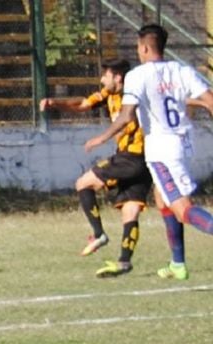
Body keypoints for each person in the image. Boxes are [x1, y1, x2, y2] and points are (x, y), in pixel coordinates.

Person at [85, 24, 213, 280]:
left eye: (138, 48)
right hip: (182, 145)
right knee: (161, 198)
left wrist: (103, 136)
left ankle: (178, 261)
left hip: (160, 151)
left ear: (143, 47)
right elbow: (210, 101)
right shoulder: (181, 70)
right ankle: (177, 263)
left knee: (182, 209)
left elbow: (127, 114)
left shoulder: (138, 76)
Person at [41, 59, 151, 277]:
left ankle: (99, 234)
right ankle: (124, 261)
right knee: (130, 210)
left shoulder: (133, 95)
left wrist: (101, 139)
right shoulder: (107, 94)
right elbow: (83, 104)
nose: (102, 79)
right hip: (145, 161)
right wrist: (55, 103)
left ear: (117, 77)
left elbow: (127, 122)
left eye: (106, 75)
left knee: (83, 183)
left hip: (131, 157)